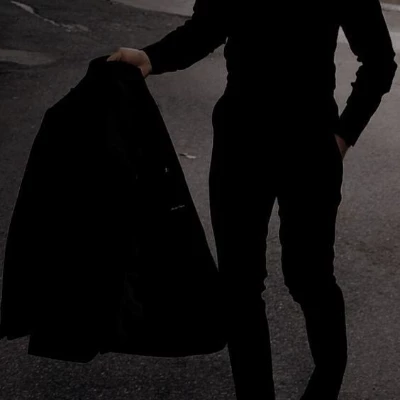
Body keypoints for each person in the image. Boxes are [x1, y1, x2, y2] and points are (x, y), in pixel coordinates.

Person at [106, 0, 397, 398]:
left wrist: (345, 134)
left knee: (309, 276)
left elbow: (380, 60)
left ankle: (326, 384)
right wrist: (151, 57)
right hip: (240, 144)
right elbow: (206, 28)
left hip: (309, 146)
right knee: (239, 286)